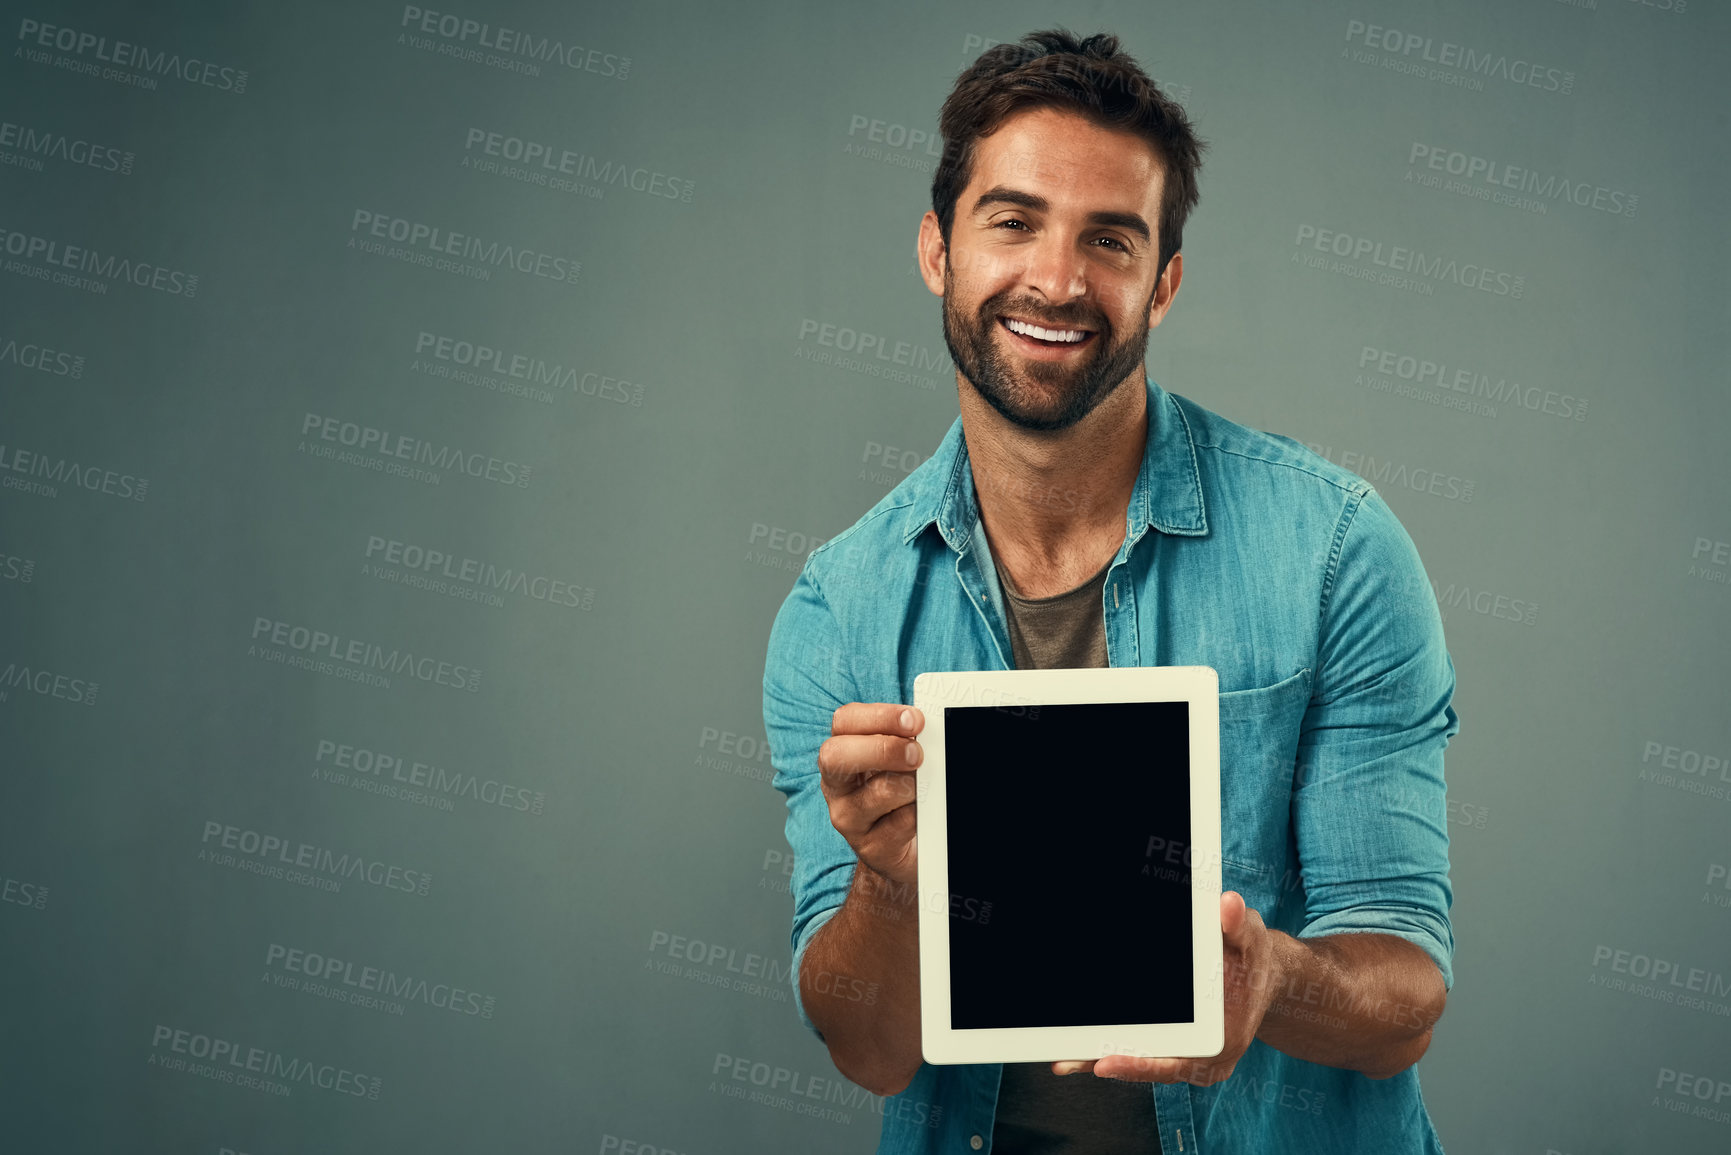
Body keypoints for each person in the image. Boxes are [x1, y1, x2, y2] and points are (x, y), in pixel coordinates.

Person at [763, 28, 1458, 1155]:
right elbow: (869, 1051)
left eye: (1111, 239)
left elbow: (1407, 997)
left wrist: (1274, 981)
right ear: (939, 249)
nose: (1057, 278)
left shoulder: (1338, 550)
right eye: (1015, 221)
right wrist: (890, 887)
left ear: (1163, 284)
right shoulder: (841, 605)